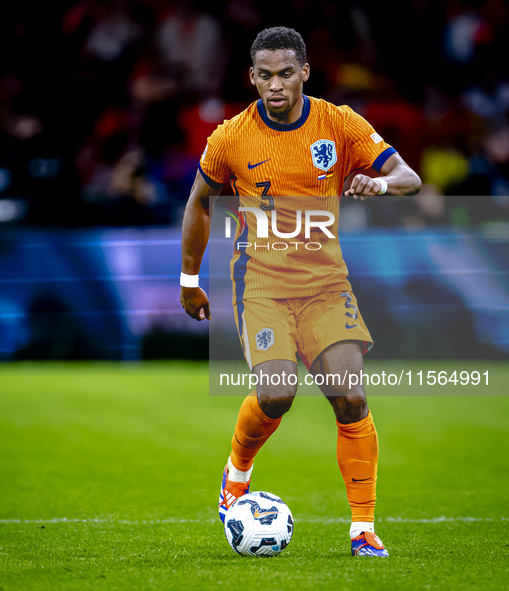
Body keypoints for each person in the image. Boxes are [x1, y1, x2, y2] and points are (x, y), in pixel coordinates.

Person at [179, 26, 421, 557]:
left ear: (305, 72)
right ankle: (236, 472)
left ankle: (363, 530)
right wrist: (189, 279)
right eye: (265, 76)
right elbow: (200, 203)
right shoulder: (230, 137)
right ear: (252, 77)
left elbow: (409, 177)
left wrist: (378, 184)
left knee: (351, 396)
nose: (276, 85)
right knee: (277, 392)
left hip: (325, 286)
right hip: (261, 286)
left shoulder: (338, 123)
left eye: (286, 74)